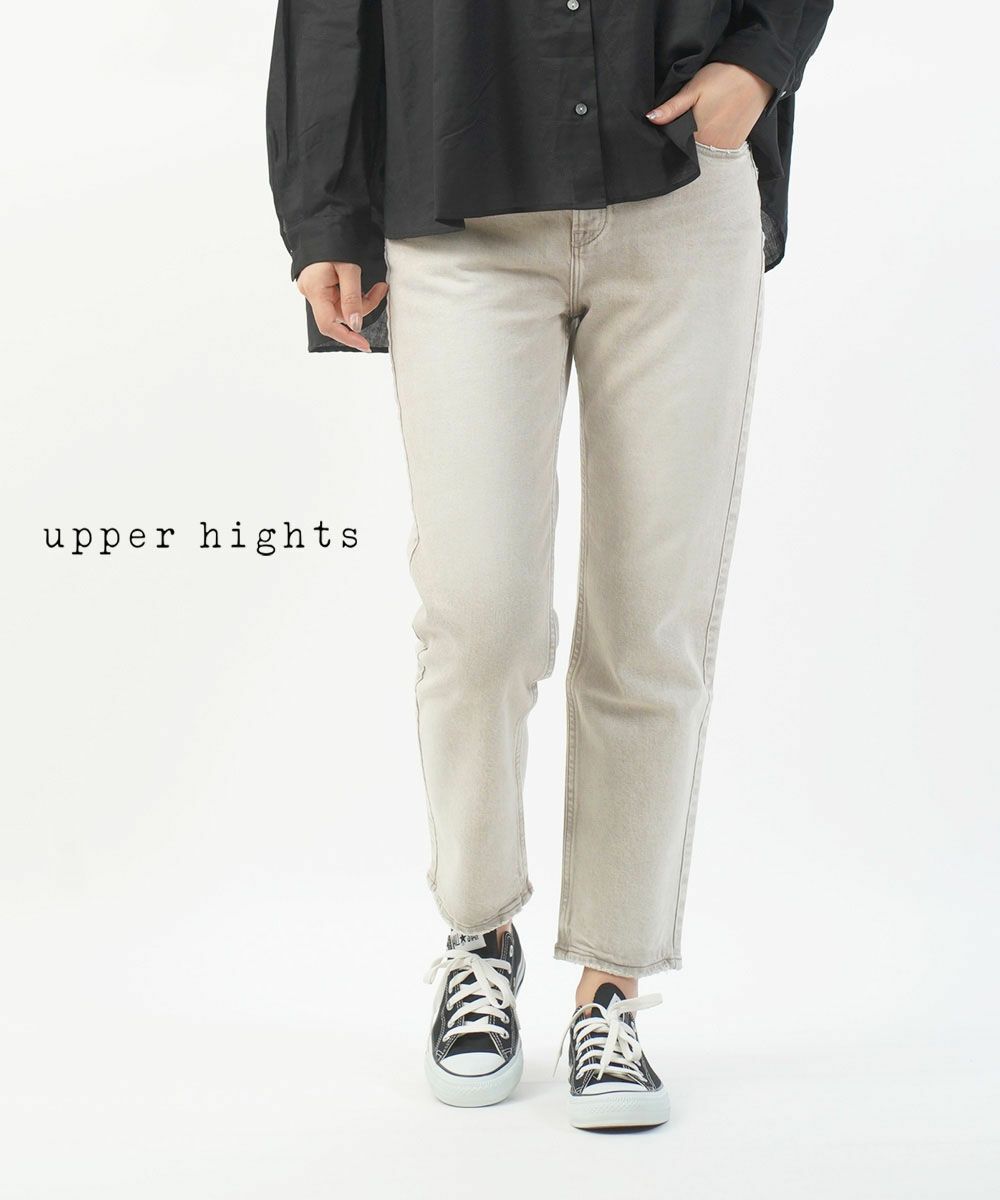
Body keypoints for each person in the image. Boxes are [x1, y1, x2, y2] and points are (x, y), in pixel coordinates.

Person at [267, 0, 832, 1130]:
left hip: (679, 192)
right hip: (455, 196)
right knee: (478, 615)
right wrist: (324, 210)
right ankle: (479, 935)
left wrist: (762, 60)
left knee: (650, 622)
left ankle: (611, 987)